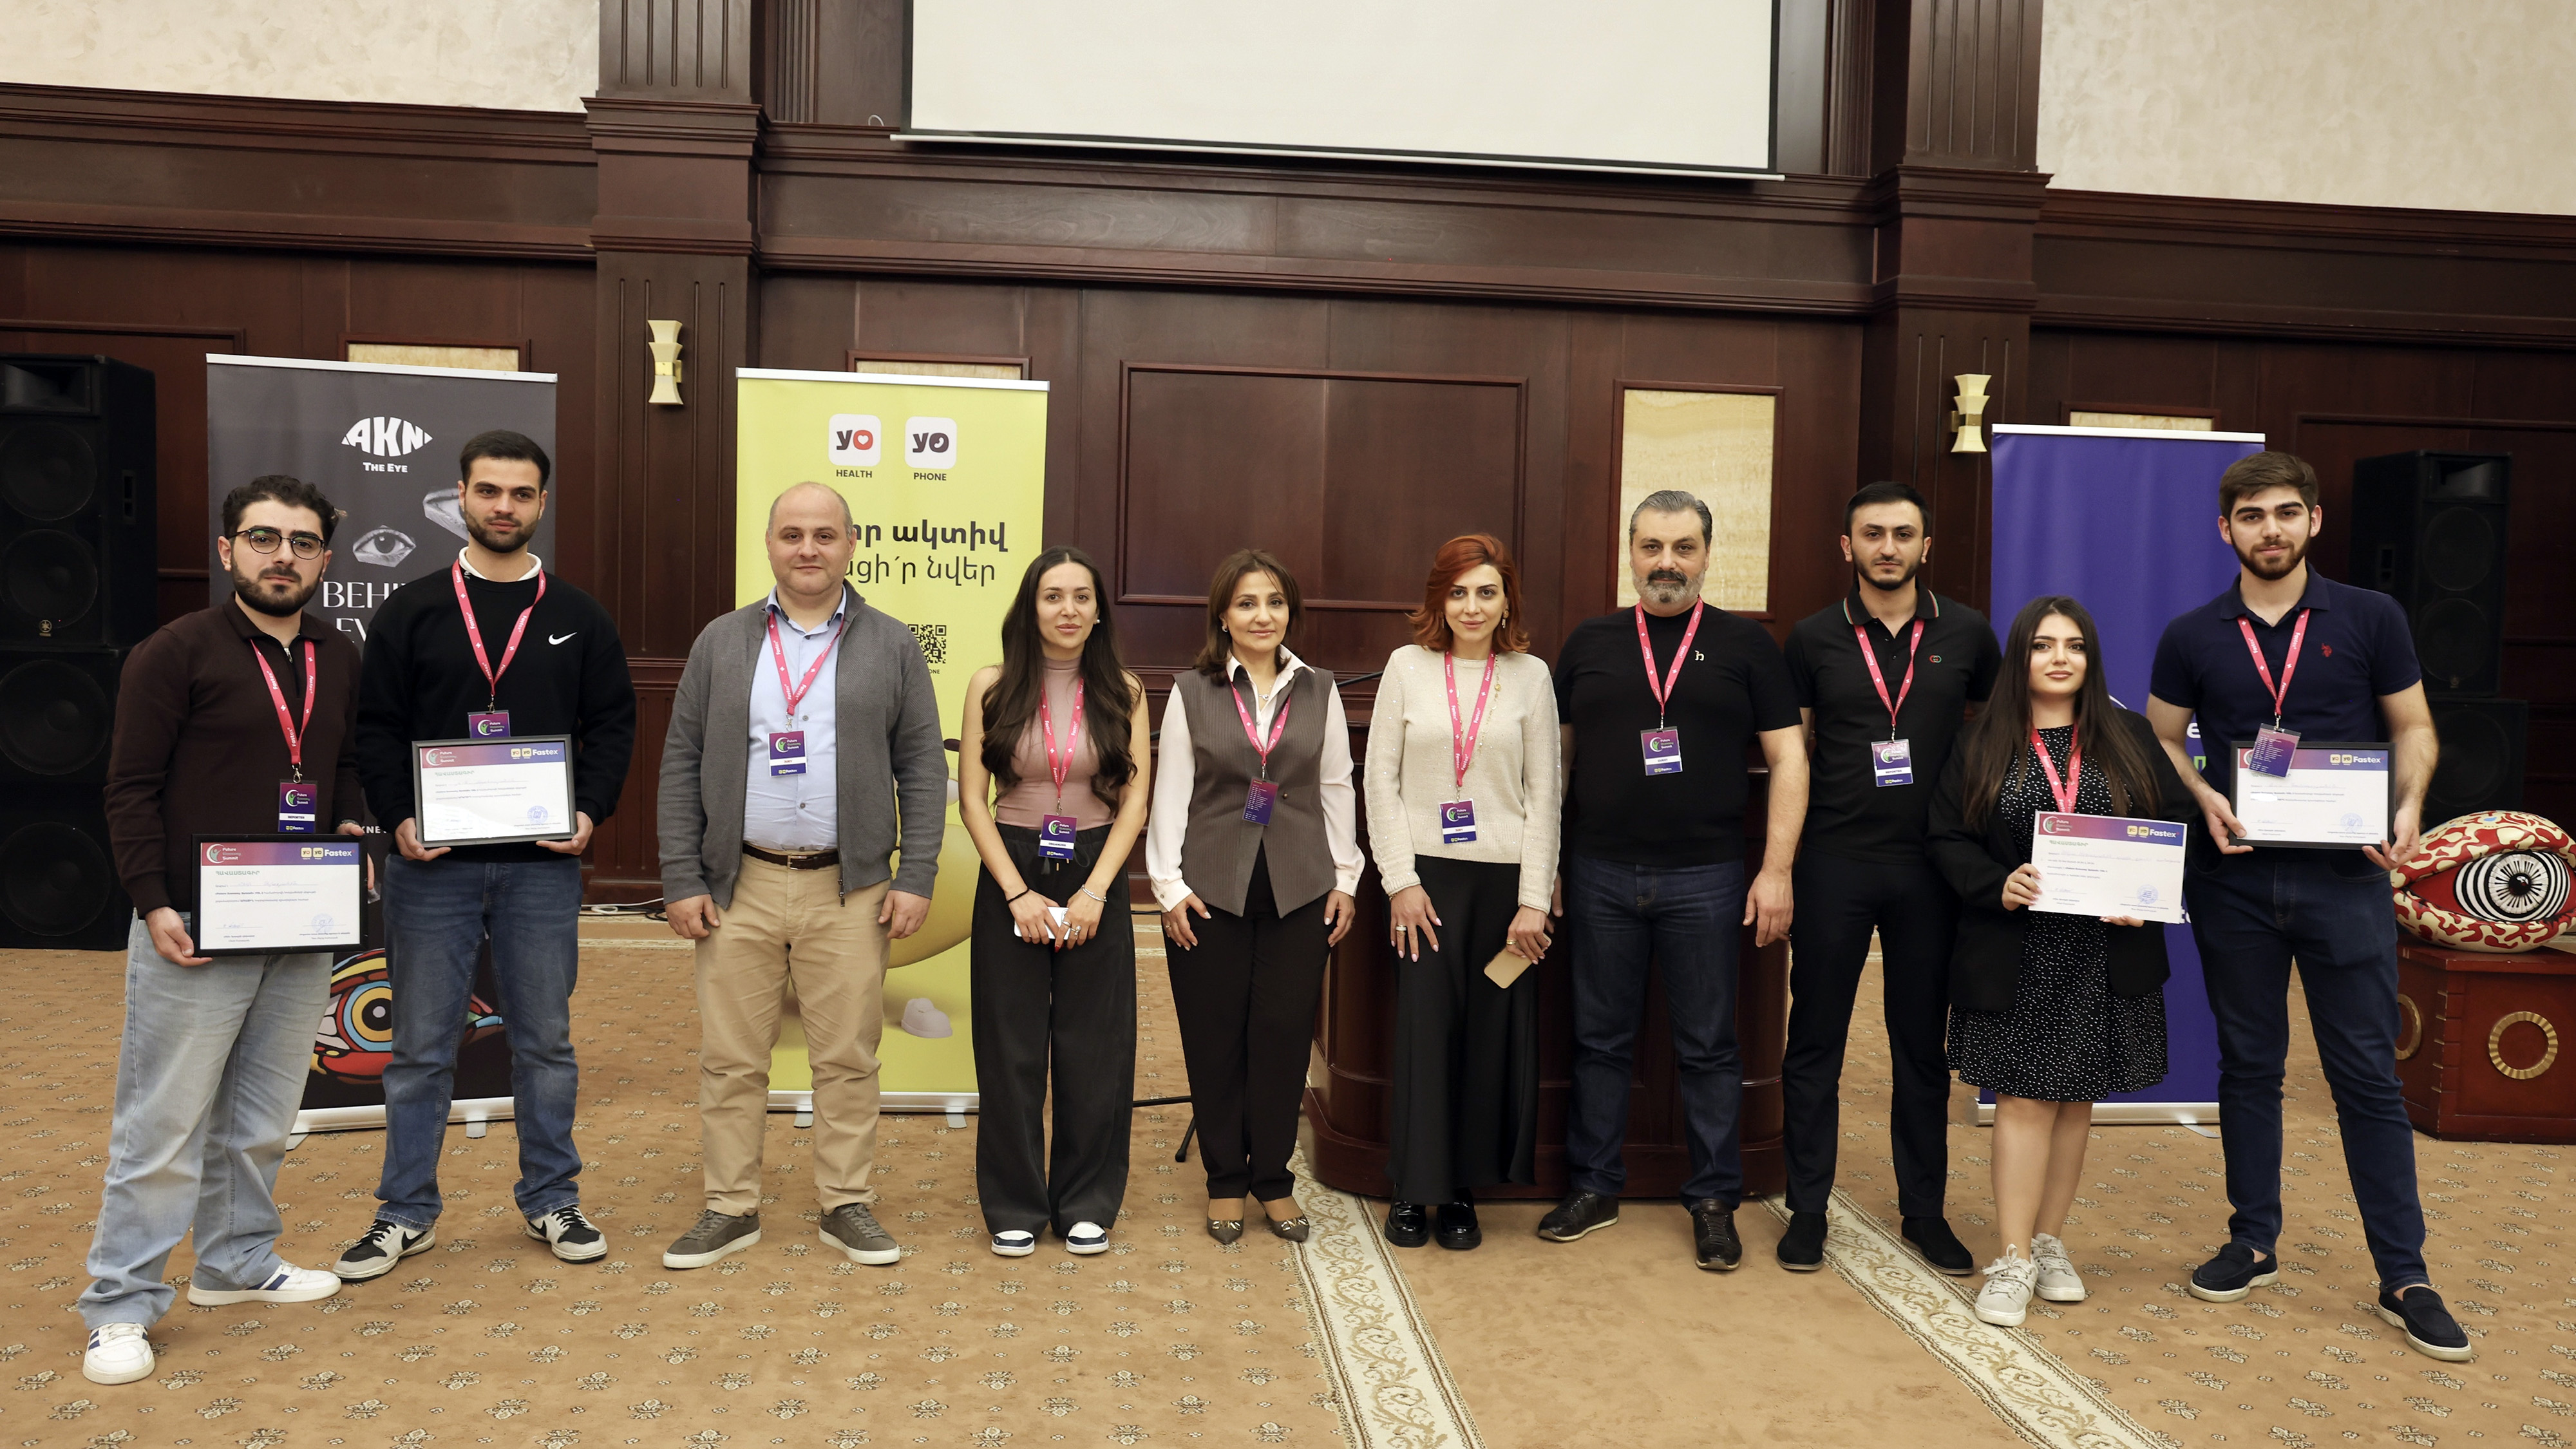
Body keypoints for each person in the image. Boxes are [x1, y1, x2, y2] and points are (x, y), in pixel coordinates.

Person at [2145, 450, 2466, 1361]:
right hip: (2236, 881)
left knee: (2365, 1076)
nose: (2271, 530)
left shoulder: (2370, 616)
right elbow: (2161, 737)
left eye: (2287, 512)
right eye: (2252, 516)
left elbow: (2413, 725)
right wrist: (2201, 792)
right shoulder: (2192, 632)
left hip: (2345, 881)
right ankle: (2253, 1241)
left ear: (2314, 520)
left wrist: (2408, 803)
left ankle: (2404, 1274)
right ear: (2226, 530)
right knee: (2249, 1066)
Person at [82, 477, 366, 1383]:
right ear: (227, 548)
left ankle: (235, 1261)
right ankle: (120, 1302)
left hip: (301, 918)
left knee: (262, 1116)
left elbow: (343, 762)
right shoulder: (174, 652)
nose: (283, 556)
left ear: (325, 559)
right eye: (264, 538)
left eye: (303, 542)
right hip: (197, 924)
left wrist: (351, 821)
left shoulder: (337, 651)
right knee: (162, 1125)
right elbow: (130, 787)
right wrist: (152, 901)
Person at [338, 430, 637, 1281]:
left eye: (521, 493)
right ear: (461, 497)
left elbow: (613, 724)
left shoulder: (578, 615)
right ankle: (405, 1211)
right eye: (489, 490)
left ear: (542, 503)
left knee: (544, 1043)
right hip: (432, 865)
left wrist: (589, 810)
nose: (504, 506)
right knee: (420, 1048)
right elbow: (375, 728)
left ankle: (551, 1197)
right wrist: (398, 817)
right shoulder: (413, 609)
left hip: (541, 866)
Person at [656, 481, 946, 1270]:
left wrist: (916, 874)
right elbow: (680, 762)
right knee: (730, 1059)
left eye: (824, 534)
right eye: (792, 534)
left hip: (851, 889)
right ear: (770, 544)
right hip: (738, 885)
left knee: (847, 1057)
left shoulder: (892, 644)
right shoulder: (721, 641)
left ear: (851, 544)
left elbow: (923, 767)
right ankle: (730, 1207)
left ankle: (845, 1202)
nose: (808, 549)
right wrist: (681, 875)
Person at [1542, 489, 1806, 1271]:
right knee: (1598, 1041)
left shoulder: (1747, 645)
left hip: (1708, 877)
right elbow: (1555, 762)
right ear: (1629, 553)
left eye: (1683, 547)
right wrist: (1544, 866)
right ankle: (1593, 1185)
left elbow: (1790, 758)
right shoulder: (1589, 642)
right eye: (1651, 546)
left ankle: (1713, 1200)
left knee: (1708, 1047)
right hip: (1597, 871)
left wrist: (1777, 870)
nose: (1666, 562)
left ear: (1706, 555)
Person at [1928, 596, 2193, 1326]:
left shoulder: (2128, 735)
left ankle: (2049, 1243)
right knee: (2021, 1100)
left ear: (2090, 658)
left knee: (2076, 1099)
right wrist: (1995, 882)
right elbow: (1945, 837)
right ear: (2020, 657)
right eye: (2043, 645)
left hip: (2105, 948)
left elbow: (2175, 822)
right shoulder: (1983, 741)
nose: (2058, 658)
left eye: (2073, 646)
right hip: (2017, 948)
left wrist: (2146, 895)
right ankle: (2013, 1258)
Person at [1776, 482, 1999, 1276]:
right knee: (1815, 1043)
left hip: (1930, 869)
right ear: (1847, 546)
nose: (1888, 548)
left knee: (1919, 1049)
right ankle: (1808, 1208)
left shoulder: (1968, 634)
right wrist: (1780, 865)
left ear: (1925, 546)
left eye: (1903, 534)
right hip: (1833, 862)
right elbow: (1793, 755)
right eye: (1872, 534)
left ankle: (1924, 1211)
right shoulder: (1811, 638)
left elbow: (1995, 745)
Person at [1148, 549, 1362, 1245]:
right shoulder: (1192, 691)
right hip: (1209, 890)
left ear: (1289, 612)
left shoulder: (1320, 689)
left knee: (1281, 1036)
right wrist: (1169, 887)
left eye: (1274, 602)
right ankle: (1224, 1180)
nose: (1262, 615)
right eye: (1246, 603)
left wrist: (1346, 878)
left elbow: (1335, 786)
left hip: (1301, 887)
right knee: (1214, 1038)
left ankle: (1272, 1179)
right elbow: (1172, 793)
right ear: (1222, 616)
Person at [1363, 534, 1560, 1251]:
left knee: (1487, 1039)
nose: (1472, 607)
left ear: (1507, 600)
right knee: (1426, 1036)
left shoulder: (1531, 677)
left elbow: (1546, 793)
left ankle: (1459, 1191)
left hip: (1504, 887)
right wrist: (1400, 882)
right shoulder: (1406, 667)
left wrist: (1533, 899)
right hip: (1426, 882)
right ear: (1438, 600)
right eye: (1458, 592)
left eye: (1486, 592)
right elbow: (1378, 782)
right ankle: (1413, 1187)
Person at [958, 547, 1151, 1258]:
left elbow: (1134, 802)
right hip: (1011, 863)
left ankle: (1086, 1201)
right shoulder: (991, 685)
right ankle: (1014, 1202)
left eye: (1081, 597)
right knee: (1009, 1045)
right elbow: (971, 801)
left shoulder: (1125, 690)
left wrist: (1097, 891)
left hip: (1096, 866)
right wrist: (1015, 892)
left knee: (1094, 1045)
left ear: (1098, 611)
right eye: (1052, 596)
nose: (1067, 610)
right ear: (1030, 607)